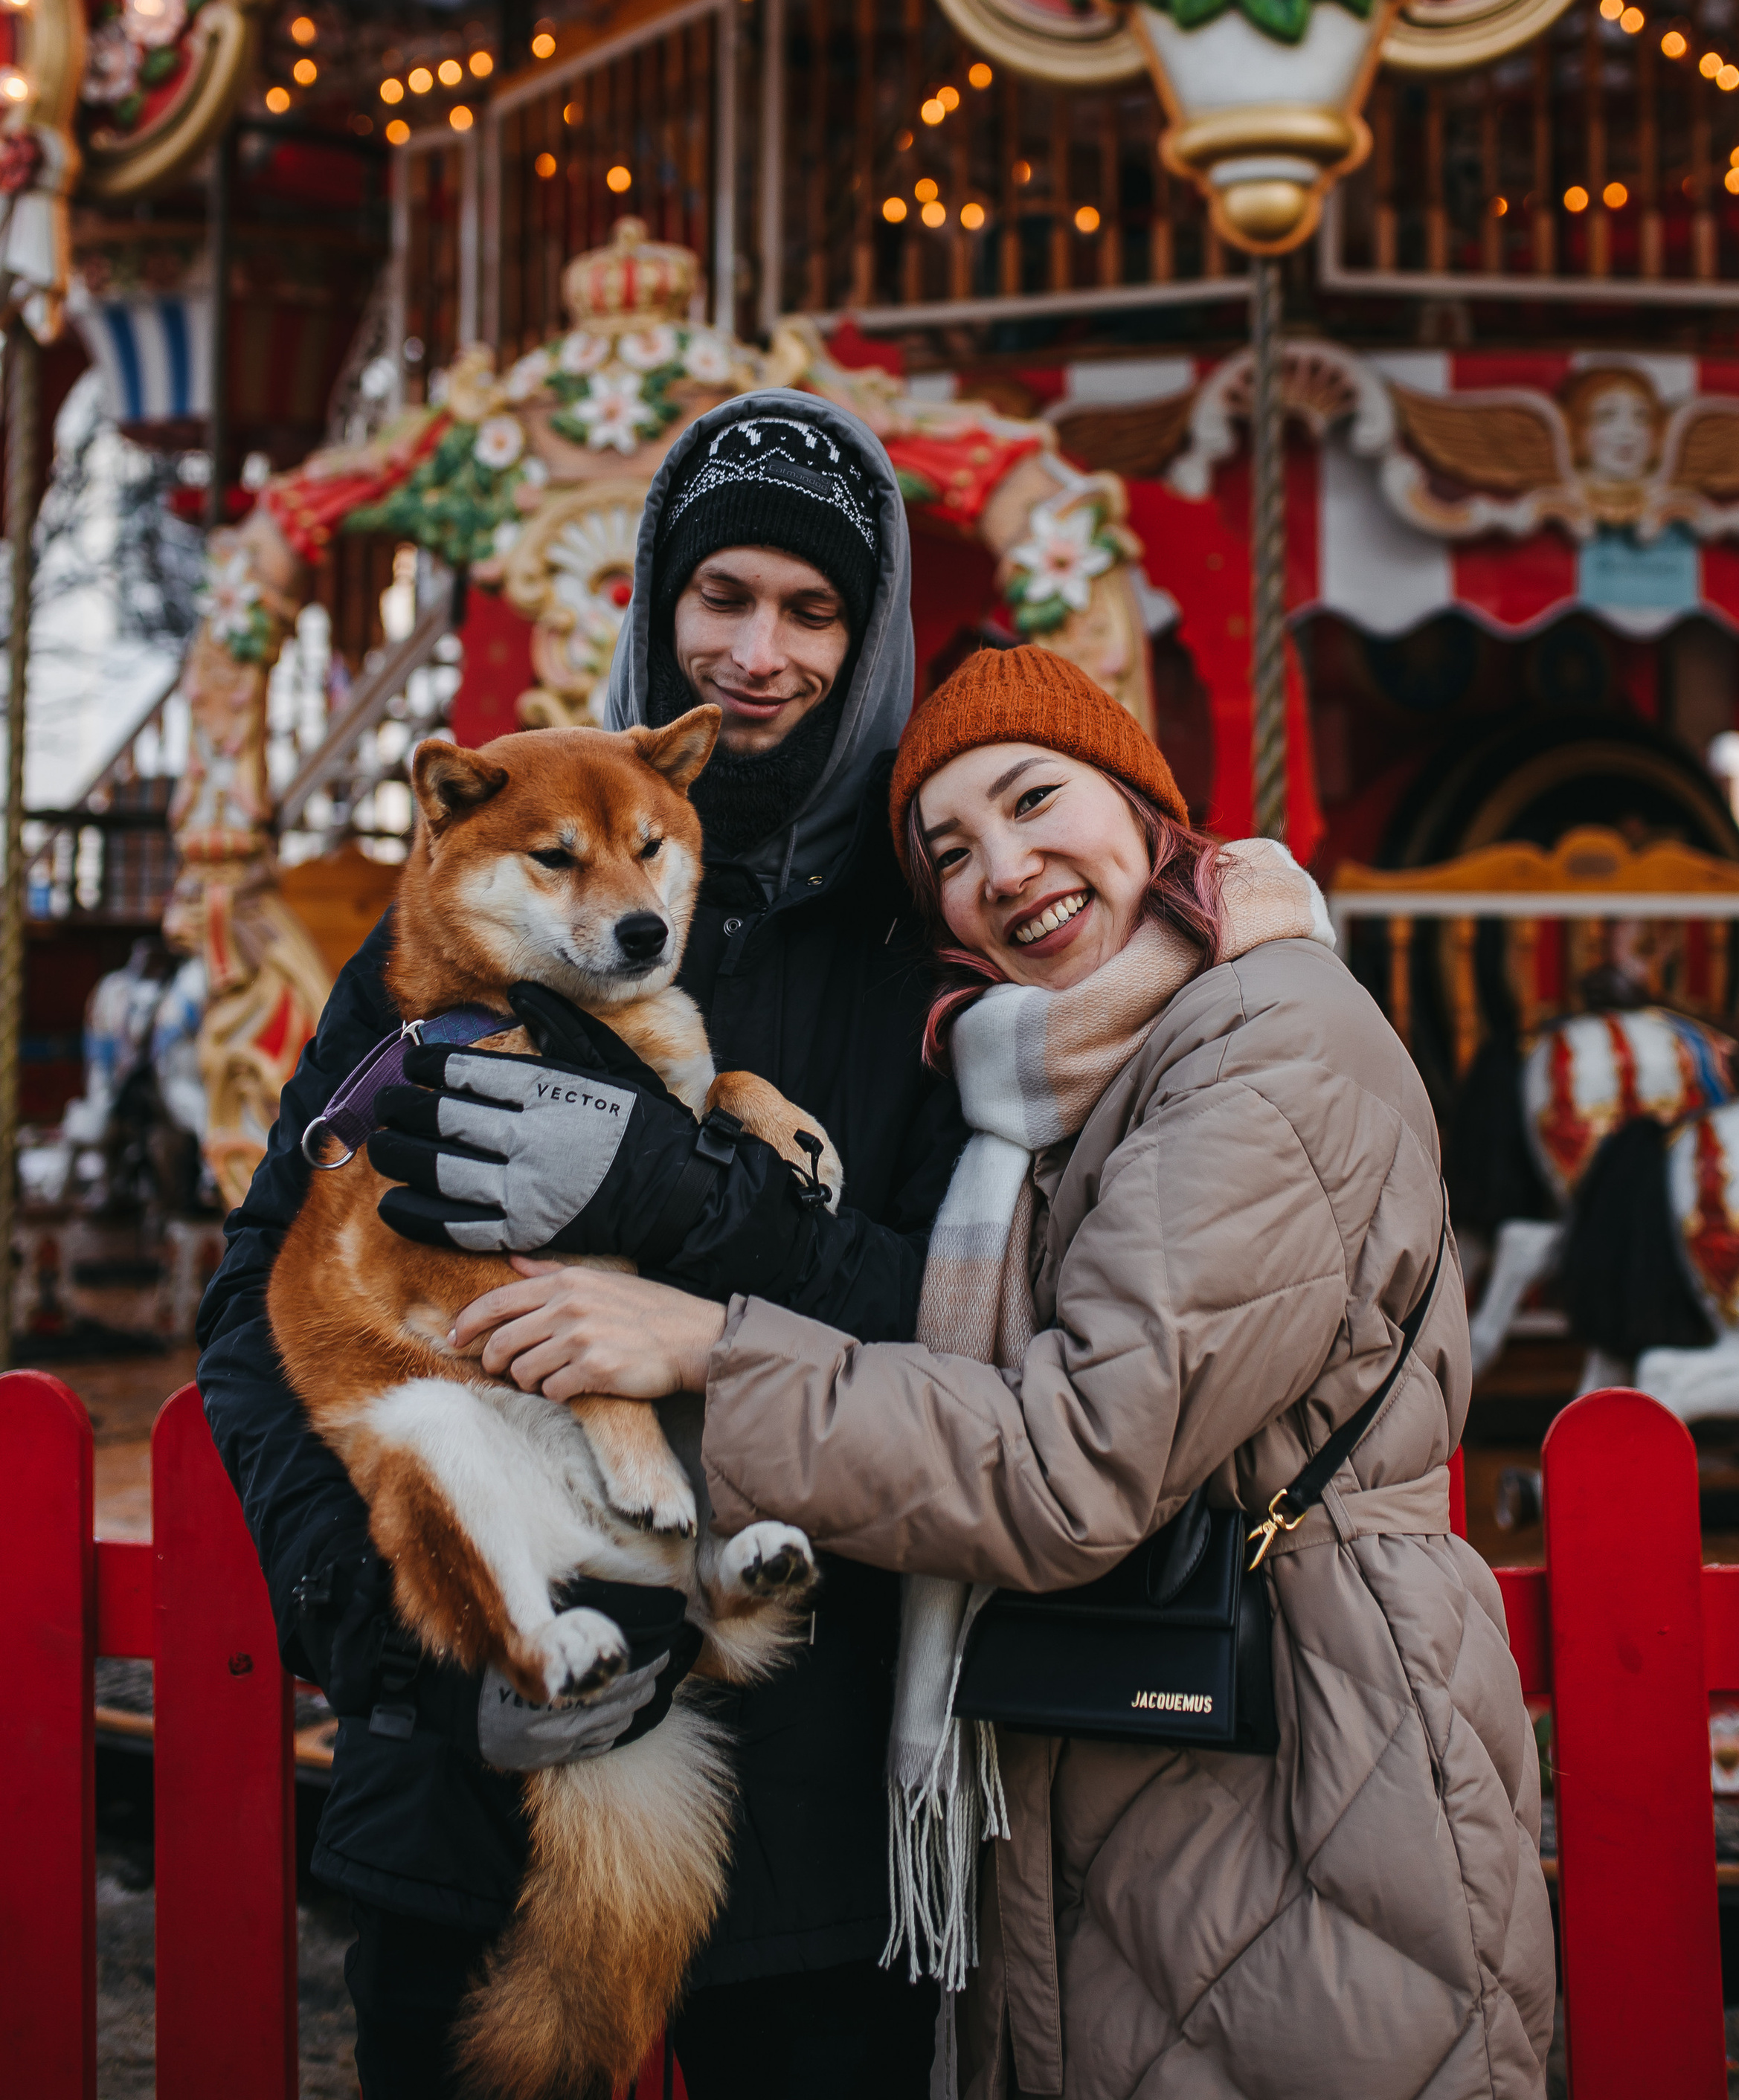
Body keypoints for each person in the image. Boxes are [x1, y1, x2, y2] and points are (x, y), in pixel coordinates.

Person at [455, 642, 1556, 2099]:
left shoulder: (1268, 1047)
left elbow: (1069, 1458)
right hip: (1155, 1741)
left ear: (1145, 805)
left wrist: (711, 1351)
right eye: (951, 856)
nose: (1005, 868)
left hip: (1302, 1742)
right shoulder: (1062, 1082)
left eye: (1037, 799)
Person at [196, 390, 965, 2100]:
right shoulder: (438, 953)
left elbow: (958, 1330)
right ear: (654, 603)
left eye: (812, 608)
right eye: (721, 595)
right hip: (468, 1762)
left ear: (868, 632)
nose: (757, 650)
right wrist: (389, 1620)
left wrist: (685, 1200)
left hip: (804, 1792)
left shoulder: (923, 962)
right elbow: (260, 1299)